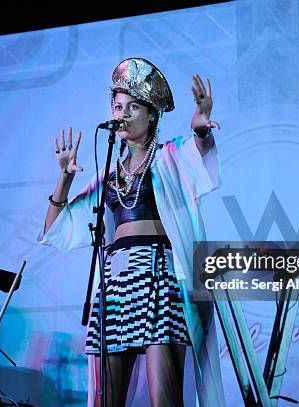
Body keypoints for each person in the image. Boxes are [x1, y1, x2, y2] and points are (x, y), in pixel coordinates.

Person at [39, 58, 224, 406]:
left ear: (152, 114)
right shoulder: (108, 174)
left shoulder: (170, 156)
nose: (121, 113)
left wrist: (201, 127)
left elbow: (202, 155)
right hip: (116, 282)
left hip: (159, 276)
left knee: (164, 398)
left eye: (132, 107)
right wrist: (64, 179)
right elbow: (56, 231)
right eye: (117, 106)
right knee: (108, 399)